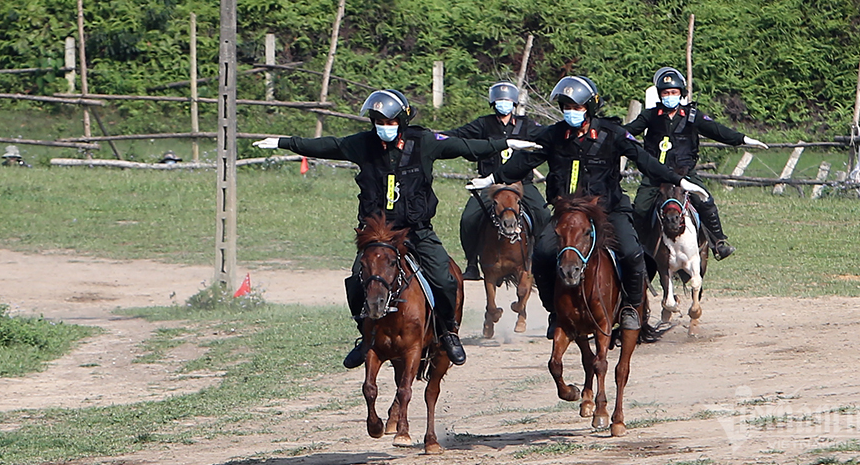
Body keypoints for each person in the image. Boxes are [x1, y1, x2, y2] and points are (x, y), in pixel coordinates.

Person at [253, 89, 541, 369]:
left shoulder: (424, 141)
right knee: (356, 282)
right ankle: (365, 338)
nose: (384, 128)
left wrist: (506, 145)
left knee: (444, 278)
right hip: (378, 233)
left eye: (390, 123)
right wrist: (283, 141)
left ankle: (448, 331)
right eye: (379, 123)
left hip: (416, 230)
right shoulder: (363, 144)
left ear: (401, 123)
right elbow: (328, 145)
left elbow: (465, 147)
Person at [468, 76, 709, 334]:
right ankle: (554, 312)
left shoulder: (612, 134)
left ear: (590, 108)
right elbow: (524, 162)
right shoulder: (554, 135)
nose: (571, 113)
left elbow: (645, 160)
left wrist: (679, 180)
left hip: (608, 210)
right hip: (567, 214)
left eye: (577, 107)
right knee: (542, 255)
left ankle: (630, 307)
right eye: (566, 108)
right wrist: (491, 179)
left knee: (632, 253)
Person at [625, 67, 768, 260]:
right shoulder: (650, 116)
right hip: (655, 176)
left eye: (674, 92)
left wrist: (743, 139)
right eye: (666, 93)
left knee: (705, 200)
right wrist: (608, 134)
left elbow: (716, 130)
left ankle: (718, 243)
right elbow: (628, 131)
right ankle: (638, 248)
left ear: (681, 94)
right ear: (660, 95)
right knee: (640, 207)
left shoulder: (692, 115)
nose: (670, 96)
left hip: (685, 173)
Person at [444, 81, 552, 280]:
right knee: (469, 218)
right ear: (493, 103)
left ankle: (537, 261)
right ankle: (472, 264)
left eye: (508, 100)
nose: (504, 103)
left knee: (543, 214)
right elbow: (458, 135)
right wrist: (436, 137)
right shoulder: (482, 124)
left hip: (521, 183)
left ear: (514, 103)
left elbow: (548, 136)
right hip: (489, 185)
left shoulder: (527, 124)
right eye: (500, 100)